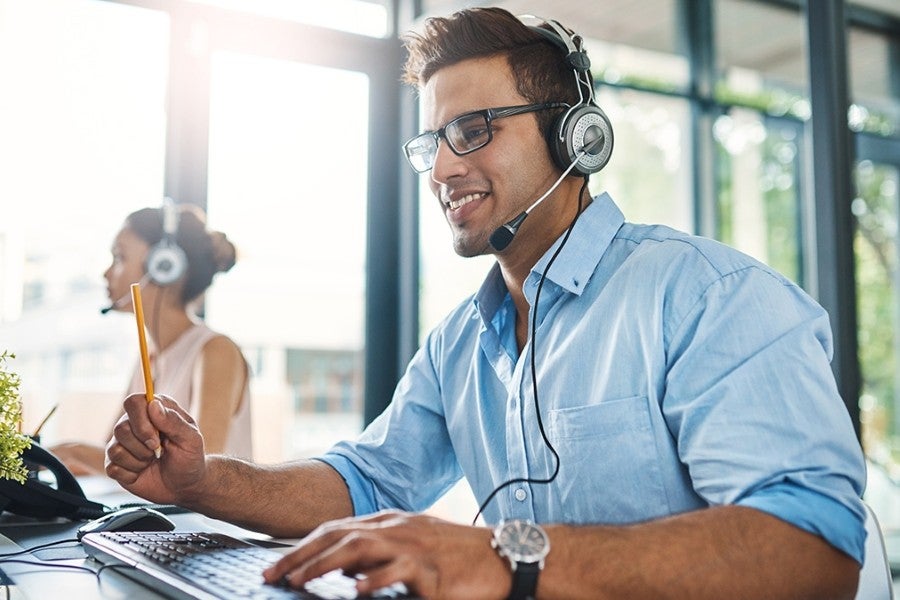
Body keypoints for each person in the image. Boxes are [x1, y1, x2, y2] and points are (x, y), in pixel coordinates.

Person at [105, 8, 866, 599]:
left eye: (471, 131)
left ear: (577, 140)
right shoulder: (460, 343)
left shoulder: (708, 297)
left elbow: (813, 552)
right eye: (432, 141)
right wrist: (205, 484)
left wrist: (504, 557)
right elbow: (364, 482)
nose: (441, 167)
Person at [52, 202, 252, 475]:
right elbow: (113, 456)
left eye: (119, 258)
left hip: (204, 519)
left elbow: (201, 469)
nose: (107, 273)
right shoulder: (150, 356)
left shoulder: (216, 351)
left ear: (162, 266)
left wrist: (71, 451)